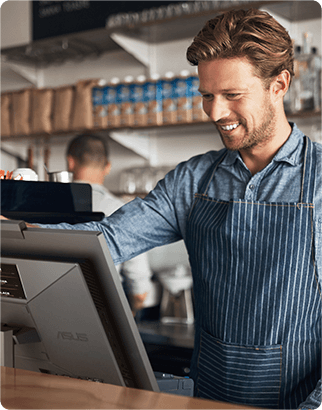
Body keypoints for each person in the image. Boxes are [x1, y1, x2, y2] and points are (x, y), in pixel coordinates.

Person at [3, 8, 321, 409]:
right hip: (208, 399)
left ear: (280, 84)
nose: (216, 112)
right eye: (207, 95)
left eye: (232, 95)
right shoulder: (193, 180)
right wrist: (15, 231)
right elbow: (108, 239)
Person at [66, 133, 154, 314]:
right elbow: (140, 290)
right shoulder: (121, 209)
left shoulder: (46, 203)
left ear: (70, 162)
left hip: (53, 306)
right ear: (107, 167)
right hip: (103, 310)